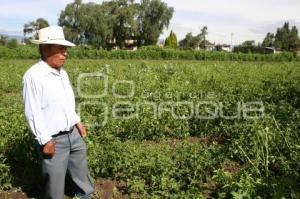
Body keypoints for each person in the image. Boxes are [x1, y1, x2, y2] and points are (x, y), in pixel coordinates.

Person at [22, 26, 94, 199]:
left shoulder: (63, 73)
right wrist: (45, 140)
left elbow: (67, 102)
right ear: (46, 48)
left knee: (83, 176)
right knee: (54, 190)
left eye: (66, 50)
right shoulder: (33, 76)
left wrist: (77, 121)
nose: (65, 54)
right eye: (61, 49)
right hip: (53, 140)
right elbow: (32, 112)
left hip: (73, 135)